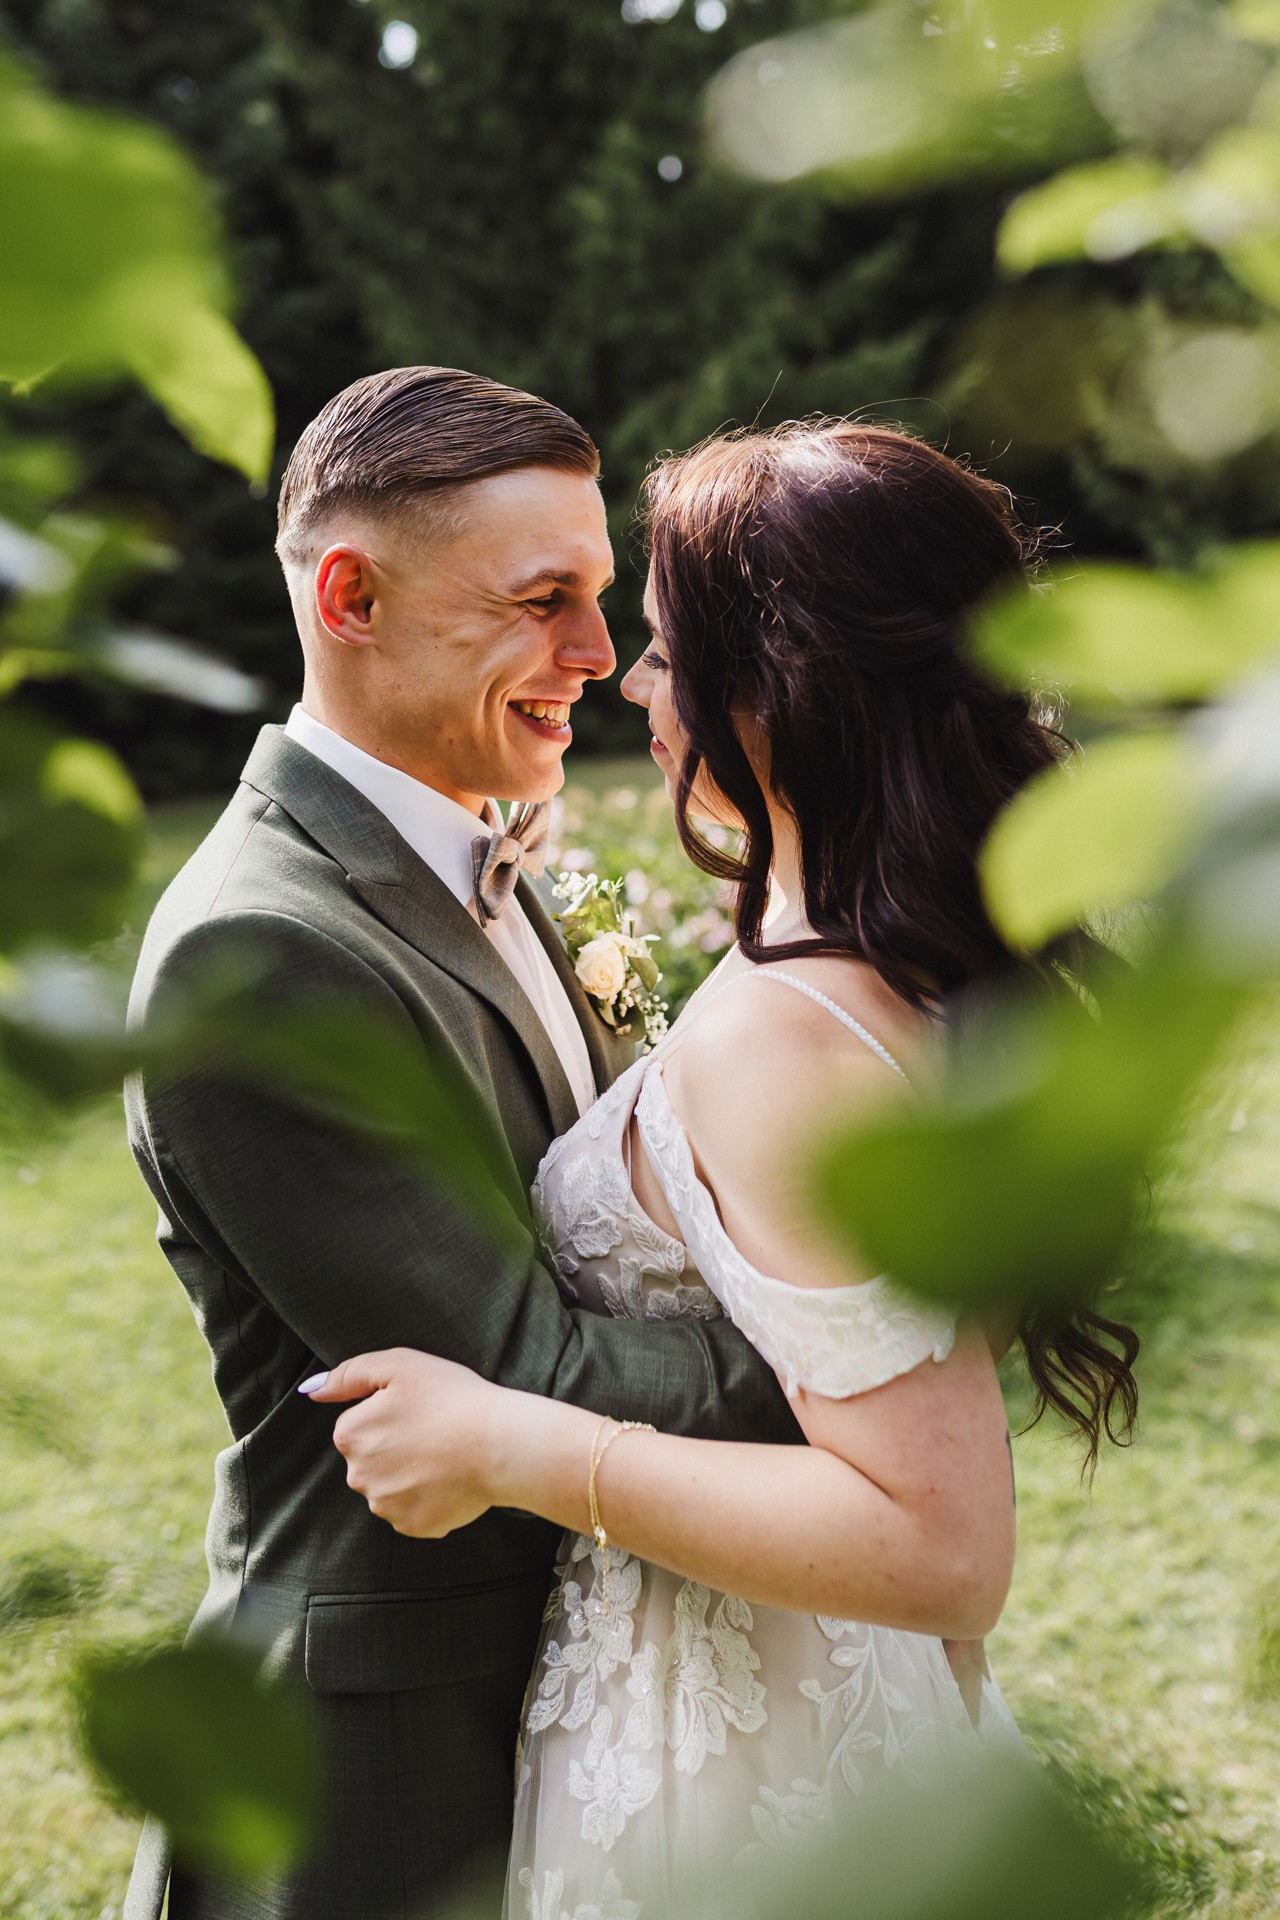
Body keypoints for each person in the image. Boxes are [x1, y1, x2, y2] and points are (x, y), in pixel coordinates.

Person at [307, 422, 1142, 1919]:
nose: (631, 682)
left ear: (782, 687)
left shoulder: (788, 1035)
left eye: (667, 653)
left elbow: (943, 1544)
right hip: (820, 1695)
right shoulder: (921, 964)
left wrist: (512, 1448)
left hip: (735, 1750)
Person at [122, 369, 805, 1920]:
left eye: (604, 600)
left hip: (601, 1675)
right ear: (351, 597)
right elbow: (523, 1377)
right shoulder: (260, 952)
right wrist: (862, 1346)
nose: (599, 655)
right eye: (543, 600)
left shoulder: (521, 852)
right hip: (391, 1751)